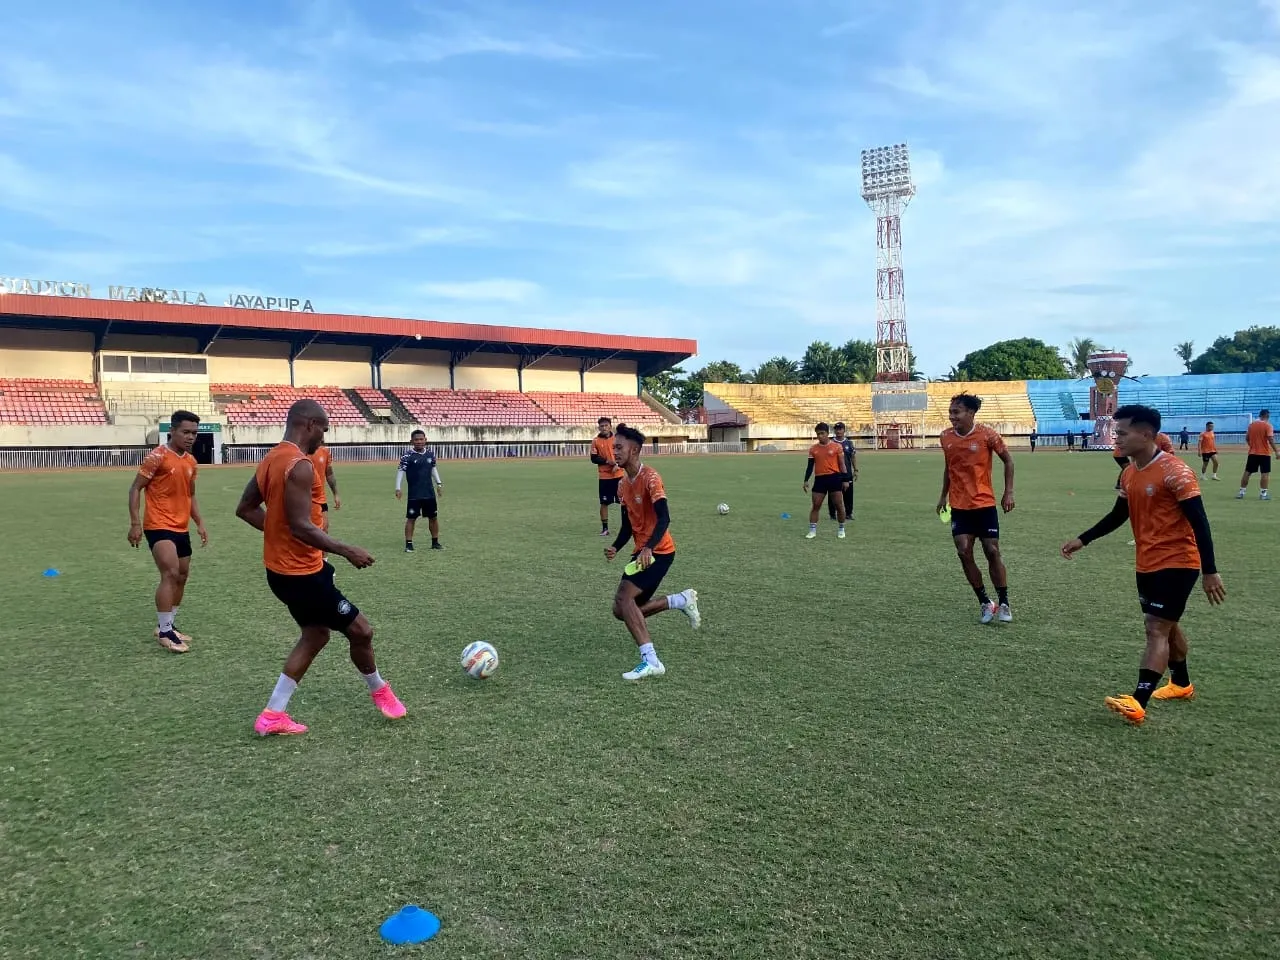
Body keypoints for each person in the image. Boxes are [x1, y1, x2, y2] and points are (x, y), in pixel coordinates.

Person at [236, 399, 406, 736]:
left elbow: (246, 509)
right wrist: (347, 550)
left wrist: (281, 535)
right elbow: (301, 526)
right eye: (323, 431)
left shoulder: (271, 458)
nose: (323, 439)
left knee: (315, 635)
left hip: (283, 572)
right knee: (361, 631)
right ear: (310, 424)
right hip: (302, 576)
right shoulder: (299, 465)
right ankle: (380, 691)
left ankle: (273, 715)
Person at [1061, 404, 1226, 726]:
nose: (1115, 438)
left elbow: (1200, 523)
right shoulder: (1129, 472)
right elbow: (1118, 515)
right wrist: (1084, 539)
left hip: (1178, 560)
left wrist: (1210, 570)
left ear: (1146, 434)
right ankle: (1181, 684)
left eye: (1121, 432)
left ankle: (1138, 701)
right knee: (1168, 623)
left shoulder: (1175, 471)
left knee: (1155, 627)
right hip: (1146, 561)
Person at [604, 425, 700, 681]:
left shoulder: (651, 478)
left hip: (659, 551)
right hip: (642, 552)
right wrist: (616, 545)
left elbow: (664, 517)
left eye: (619, 447)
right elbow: (627, 524)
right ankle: (680, 600)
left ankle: (651, 660)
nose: (615, 451)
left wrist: (648, 547)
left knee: (625, 600)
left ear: (634, 449)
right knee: (621, 610)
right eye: (614, 447)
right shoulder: (623, 484)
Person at [128, 410, 208, 653]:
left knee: (182, 576)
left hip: (180, 525)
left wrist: (199, 522)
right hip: (158, 524)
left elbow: (190, 494)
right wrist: (135, 523)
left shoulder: (191, 462)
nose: (190, 437)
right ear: (171, 431)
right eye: (185, 432)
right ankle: (164, 633)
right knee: (170, 573)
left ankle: (167, 624)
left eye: (194, 433)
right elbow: (135, 488)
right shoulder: (157, 457)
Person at [936, 394, 1015, 624]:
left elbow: (1008, 461)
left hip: (984, 503)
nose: (952, 417)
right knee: (963, 551)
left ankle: (1004, 602)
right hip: (959, 505)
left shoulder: (987, 435)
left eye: (957, 412)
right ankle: (984, 602)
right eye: (951, 412)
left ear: (971, 413)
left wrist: (1008, 492)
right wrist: (943, 496)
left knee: (992, 551)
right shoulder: (945, 437)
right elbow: (948, 468)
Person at [396, 430, 443, 550]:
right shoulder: (407, 456)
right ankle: (409, 544)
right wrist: (398, 487)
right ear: (411, 441)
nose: (419, 442)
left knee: (433, 518)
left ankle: (435, 542)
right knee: (411, 518)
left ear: (425, 440)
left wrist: (439, 483)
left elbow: (433, 468)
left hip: (429, 493)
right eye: (416, 440)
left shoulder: (430, 454)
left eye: (421, 439)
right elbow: (401, 470)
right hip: (414, 494)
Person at [803, 422, 848, 539]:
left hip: (834, 477)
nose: (820, 436)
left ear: (828, 433)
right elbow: (810, 466)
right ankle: (812, 530)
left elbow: (842, 464)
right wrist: (806, 480)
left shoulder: (837, 447)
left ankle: (841, 529)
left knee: (839, 505)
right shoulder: (813, 449)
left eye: (822, 433)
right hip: (820, 479)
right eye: (818, 434)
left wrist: (845, 479)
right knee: (816, 505)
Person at [590, 416, 624, 536]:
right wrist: (608, 461)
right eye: (601, 426)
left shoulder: (618, 439)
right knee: (604, 503)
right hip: (604, 477)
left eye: (606, 425)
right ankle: (605, 529)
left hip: (619, 475)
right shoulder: (596, 441)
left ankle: (627, 527)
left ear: (610, 426)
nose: (604, 428)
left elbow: (624, 455)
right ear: (599, 427)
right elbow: (594, 458)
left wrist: (618, 465)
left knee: (625, 502)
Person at [1237, 409, 1277, 500]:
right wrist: (1276, 451)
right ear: (1267, 416)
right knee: (1265, 473)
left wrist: (1252, 446)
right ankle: (1263, 494)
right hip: (1264, 453)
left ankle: (1241, 492)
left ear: (1260, 415)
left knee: (1247, 472)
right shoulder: (1268, 426)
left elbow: (1247, 438)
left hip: (1253, 453)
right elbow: (1270, 439)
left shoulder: (1251, 425)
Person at [827, 422, 858, 522]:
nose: (838, 431)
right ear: (834, 431)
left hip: (847, 474)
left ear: (844, 430)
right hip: (833, 473)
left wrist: (856, 470)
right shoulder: (830, 443)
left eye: (840, 429)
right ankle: (832, 514)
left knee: (848, 494)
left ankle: (848, 514)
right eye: (836, 429)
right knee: (833, 494)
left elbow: (853, 457)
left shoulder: (849, 443)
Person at [312, 442, 341, 532]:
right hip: (303, 501)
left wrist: (335, 494)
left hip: (320, 499)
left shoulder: (325, 451)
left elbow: (329, 474)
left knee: (324, 530)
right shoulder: (299, 451)